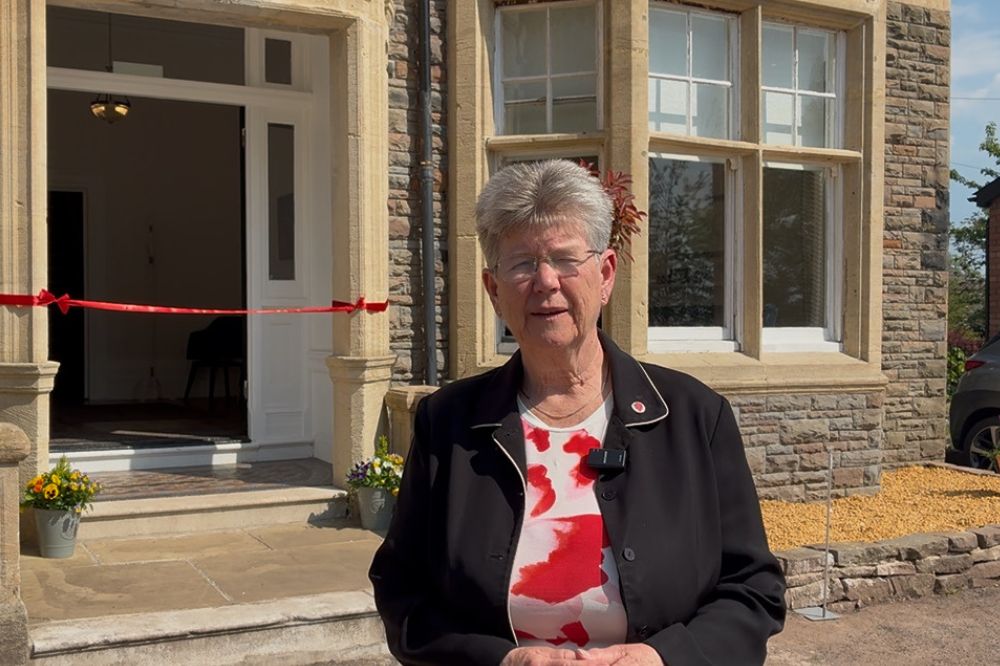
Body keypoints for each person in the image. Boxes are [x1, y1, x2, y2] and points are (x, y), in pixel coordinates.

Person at [369, 159, 786, 665]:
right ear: (493, 289)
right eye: (521, 263)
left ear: (605, 274)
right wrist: (500, 661)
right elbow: (402, 590)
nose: (545, 280)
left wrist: (662, 659)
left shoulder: (694, 417)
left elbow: (753, 589)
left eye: (565, 259)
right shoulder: (448, 424)